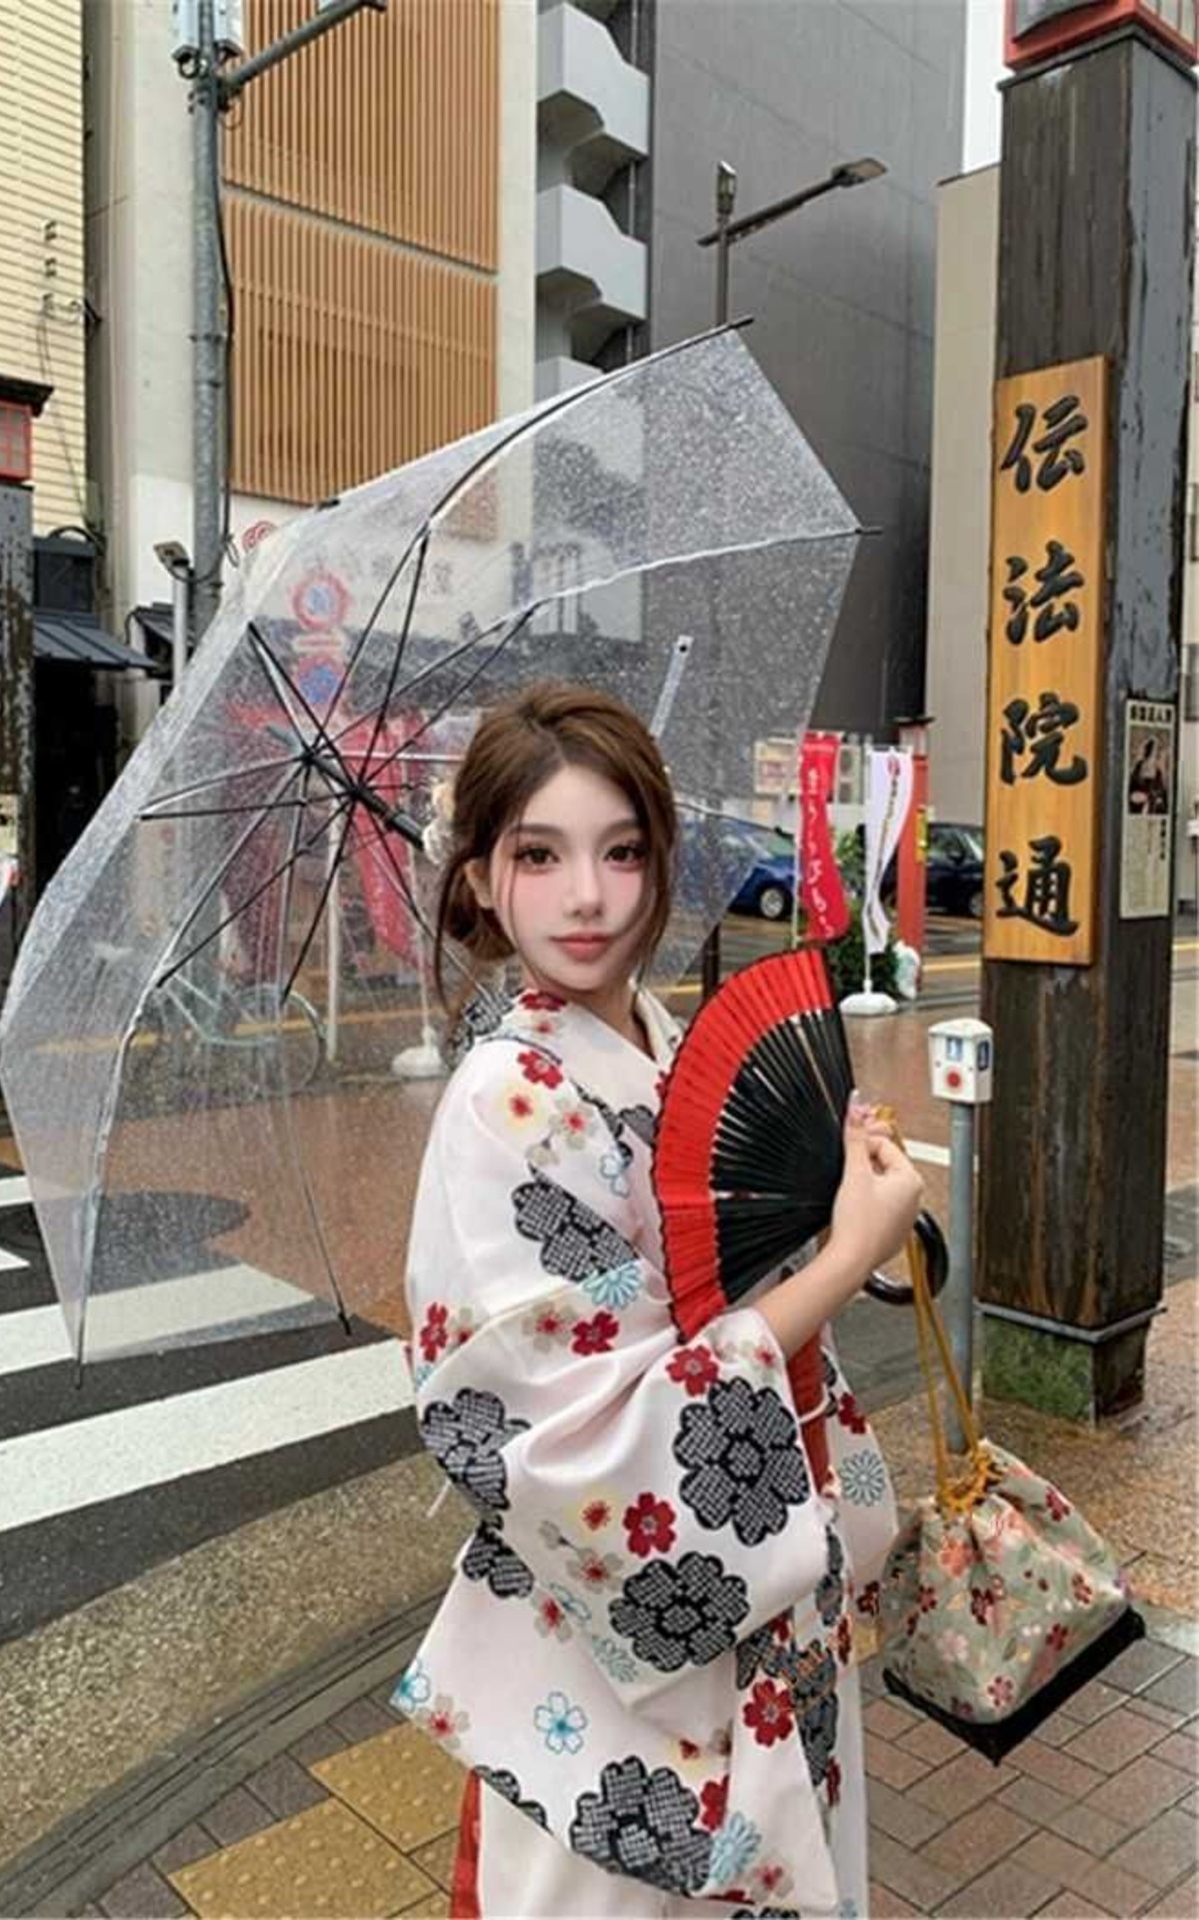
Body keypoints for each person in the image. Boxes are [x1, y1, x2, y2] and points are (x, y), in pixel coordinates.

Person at [393, 682, 924, 1919]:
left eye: (621, 851)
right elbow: (583, 1438)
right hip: (618, 1636)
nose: (587, 896)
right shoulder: (501, 1104)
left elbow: (724, 1288)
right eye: (538, 855)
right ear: (480, 879)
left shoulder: (662, 1042)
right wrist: (837, 1263)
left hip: (757, 1581)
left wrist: (833, 1202)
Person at [1127, 736, 1168, 816]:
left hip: (1152, 810)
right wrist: (1136, 797)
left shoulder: (1158, 772)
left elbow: (1161, 793)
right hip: (1137, 808)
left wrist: (1157, 799)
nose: (1156, 755)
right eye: (1154, 751)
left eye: (1157, 752)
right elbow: (1130, 791)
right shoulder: (1138, 768)